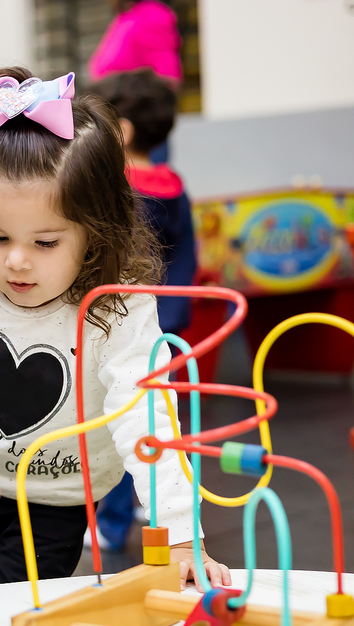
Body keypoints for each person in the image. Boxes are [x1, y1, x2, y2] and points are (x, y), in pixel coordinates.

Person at [0, 67, 227, 593]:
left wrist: (177, 532)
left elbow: (145, 413)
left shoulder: (116, 306)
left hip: (57, 500)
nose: (15, 262)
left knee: (14, 611)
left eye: (46, 243)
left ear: (96, 233)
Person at [90, 68, 197, 551]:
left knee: (123, 417)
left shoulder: (126, 191)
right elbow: (189, 254)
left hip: (132, 321)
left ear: (123, 132)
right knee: (162, 419)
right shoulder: (174, 182)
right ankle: (153, 498)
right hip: (172, 320)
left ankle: (110, 527)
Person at [87, 0, 182, 164]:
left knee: (150, 185)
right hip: (120, 128)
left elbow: (167, 78)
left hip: (139, 132)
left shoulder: (152, 14)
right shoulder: (125, 17)